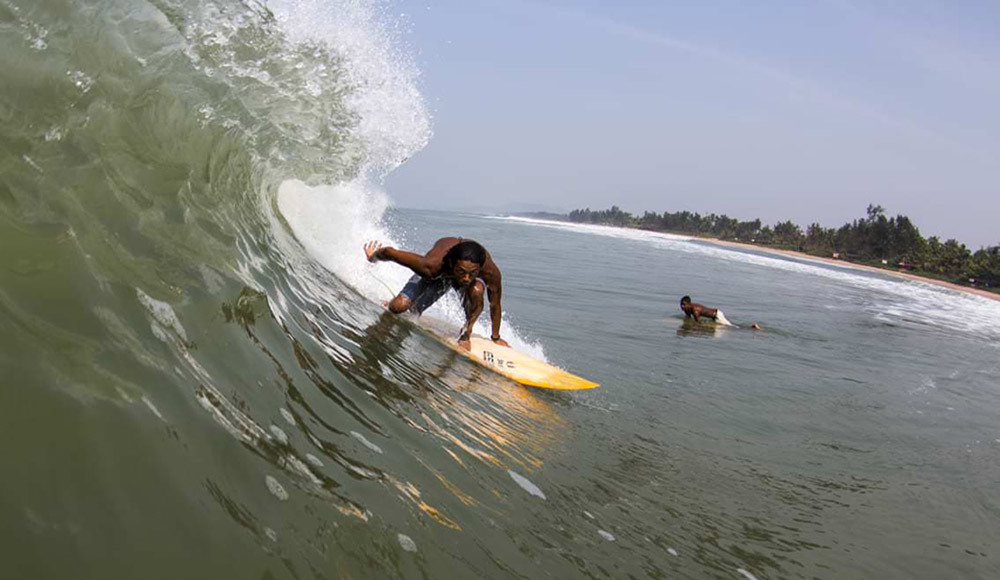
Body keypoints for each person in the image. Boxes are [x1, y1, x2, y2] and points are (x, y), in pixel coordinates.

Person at [364, 237, 509, 351]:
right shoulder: (431, 266)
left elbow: (494, 304)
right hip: (438, 275)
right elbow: (390, 253)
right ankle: (392, 301)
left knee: (477, 290)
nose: (466, 278)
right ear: (452, 264)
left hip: (463, 278)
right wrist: (372, 257)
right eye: (461, 272)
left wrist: (495, 337)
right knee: (398, 307)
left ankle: (466, 333)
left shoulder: (490, 272)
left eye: (472, 273)